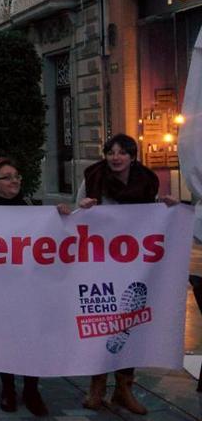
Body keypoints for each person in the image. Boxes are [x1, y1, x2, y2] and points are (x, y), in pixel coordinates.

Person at [76, 133, 178, 415]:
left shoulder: (146, 181)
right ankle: (97, 385)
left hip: (134, 265)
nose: (115, 157)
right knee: (102, 321)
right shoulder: (93, 178)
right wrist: (83, 208)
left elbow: (152, 214)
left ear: (133, 157)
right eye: (111, 152)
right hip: (99, 263)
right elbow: (76, 216)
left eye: (122, 152)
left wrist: (167, 207)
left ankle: (124, 388)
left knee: (127, 324)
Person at [0, 157, 50, 416]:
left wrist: (62, 215)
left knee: (32, 336)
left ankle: (32, 389)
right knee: (5, 338)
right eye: (7, 177)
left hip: (28, 286)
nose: (15, 180)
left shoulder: (30, 207)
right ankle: (8, 388)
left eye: (16, 175)